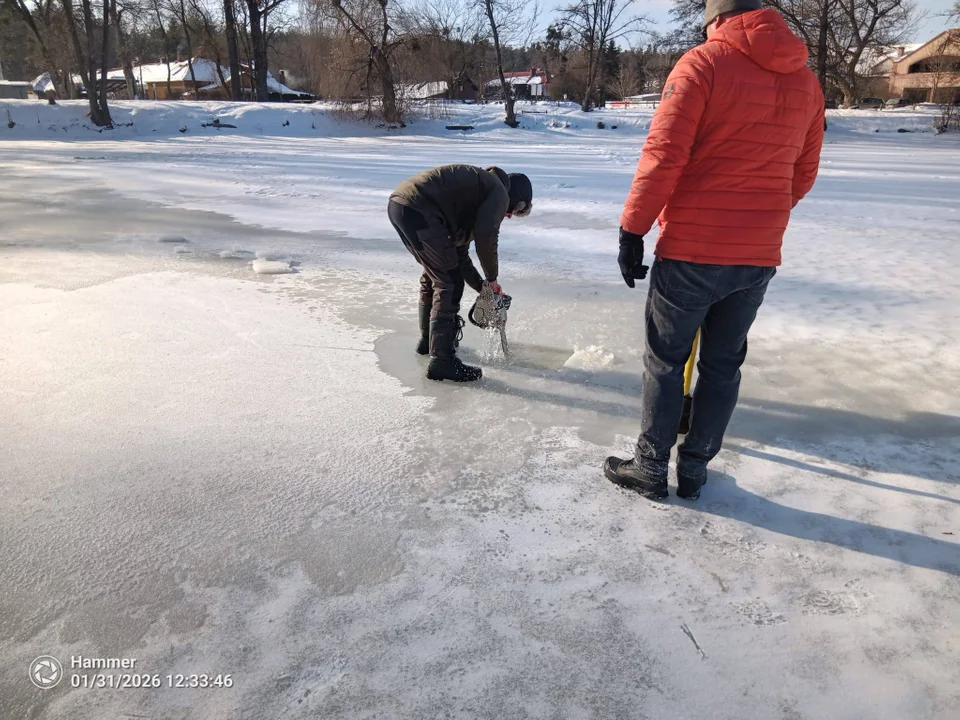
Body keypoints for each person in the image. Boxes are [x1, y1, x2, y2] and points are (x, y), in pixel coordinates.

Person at [604, 0, 825, 500]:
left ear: (716, 19)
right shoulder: (807, 82)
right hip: (758, 255)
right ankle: (697, 468)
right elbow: (803, 173)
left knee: (665, 359)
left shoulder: (703, 63)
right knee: (724, 364)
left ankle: (651, 466)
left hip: (692, 250)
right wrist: (760, 216)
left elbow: (664, 155)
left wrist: (632, 229)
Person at [388, 165, 533, 382]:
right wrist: (492, 279)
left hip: (401, 205)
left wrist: (483, 287)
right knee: (449, 282)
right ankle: (442, 360)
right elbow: (487, 237)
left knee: (435, 275)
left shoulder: (478, 191)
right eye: (517, 209)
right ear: (516, 198)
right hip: (420, 208)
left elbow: (461, 256)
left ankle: (429, 342)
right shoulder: (498, 193)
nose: (510, 215)